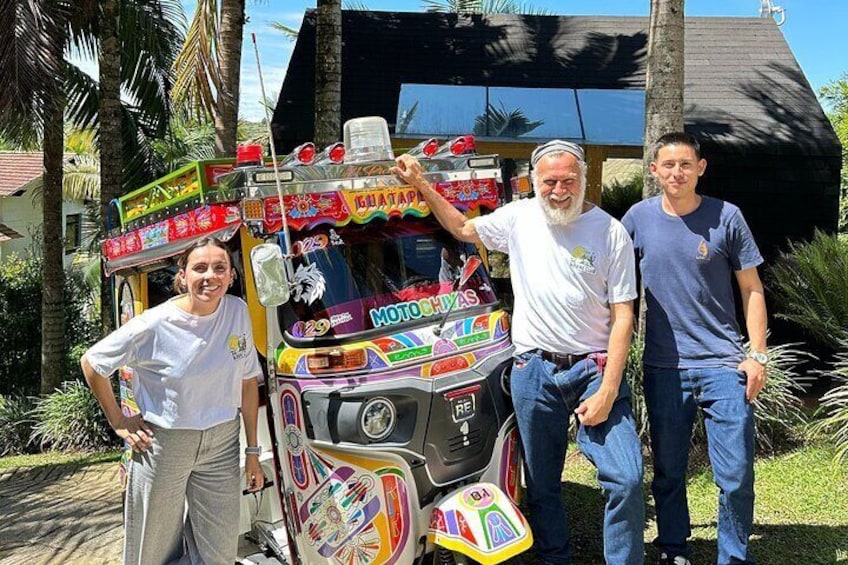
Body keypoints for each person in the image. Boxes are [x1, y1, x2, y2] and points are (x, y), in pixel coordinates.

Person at [392, 141, 645, 565]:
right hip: (534, 371)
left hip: (593, 371)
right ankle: (554, 558)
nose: (559, 190)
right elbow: (462, 229)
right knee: (542, 482)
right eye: (550, 181)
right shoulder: (519, 219)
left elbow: (624, 317)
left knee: (627, 478)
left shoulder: (610, 231)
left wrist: (608, 390)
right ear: (533, 182)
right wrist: (421, 182)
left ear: (583, 179)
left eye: (569, 180)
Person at [621, 132, 767, 565]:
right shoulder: (637, 219)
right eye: (668, 165)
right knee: (667, 471)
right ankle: (673, 549)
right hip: (663, 366)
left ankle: (733, 556)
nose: (677, 173)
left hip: (724, 365)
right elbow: (613, 286)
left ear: (700, 168)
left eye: (686, 164)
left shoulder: (727, 217)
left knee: (736, 474)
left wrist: (756, 355)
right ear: (654, 170)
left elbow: (752, 290)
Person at [81, 237, 264, 564]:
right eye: (200, 268)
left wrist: (252, 451)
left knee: (218, 552)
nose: (211, 276)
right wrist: (118, 420)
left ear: (232, 275)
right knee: (154, 551)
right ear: (183, 275)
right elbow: (93, 362)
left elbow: (248, 383)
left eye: (220, 268)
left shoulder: (237, 311)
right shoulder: (154, 324)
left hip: (222, 442)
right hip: (165, 443)